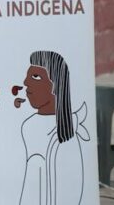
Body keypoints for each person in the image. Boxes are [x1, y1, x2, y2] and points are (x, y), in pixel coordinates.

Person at [19, 50, 90, 205]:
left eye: (35, 77)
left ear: (56, 84)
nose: (25, 82)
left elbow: (73, 189)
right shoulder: (28, 126)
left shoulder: (66, 132)